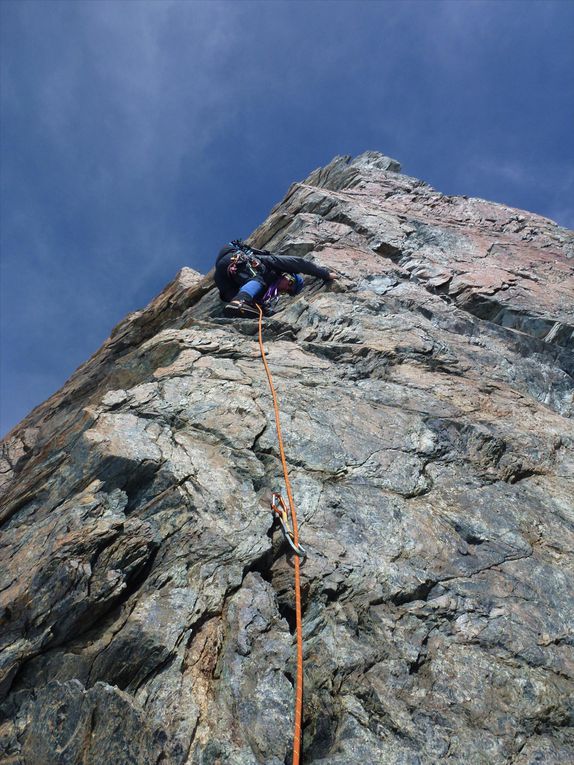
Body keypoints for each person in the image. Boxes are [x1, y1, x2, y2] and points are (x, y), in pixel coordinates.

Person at [214, 240, 337, 317]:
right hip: (234, 260)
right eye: (290, 283)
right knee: (258, 279)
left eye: (287, 291)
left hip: (225, 283)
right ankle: (239, 301)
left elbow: (263, 308)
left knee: (255, 297)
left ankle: (238, 303)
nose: (285, 288)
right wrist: (325, 275)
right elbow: (299, 263)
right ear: (287, 275)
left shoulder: (263, 291)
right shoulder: (273, 266)